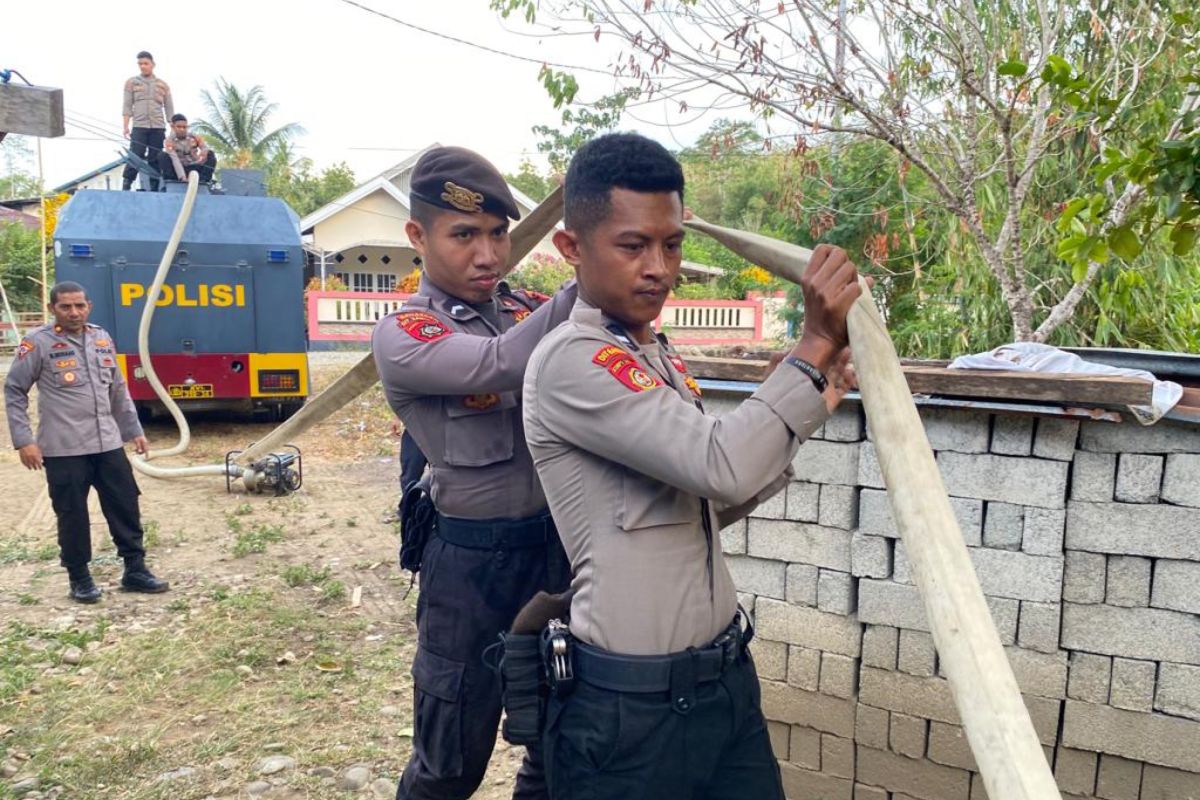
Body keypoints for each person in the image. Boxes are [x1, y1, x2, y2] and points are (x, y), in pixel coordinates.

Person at [521, 132, 863, 800]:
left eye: (671, 244)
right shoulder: (572, 360)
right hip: (630, 710)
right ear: (571, 249)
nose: (659, 267)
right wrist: (814, 343)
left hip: (723, 683)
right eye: (632, 245)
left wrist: (808, 402)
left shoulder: (655, 354)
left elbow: (707, 503)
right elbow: (722, 466)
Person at [371, 146, 577, 800]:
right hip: (469, 571)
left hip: (555, 557)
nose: (488, 254)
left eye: (498, 234)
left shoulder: (523, 308)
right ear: (417, 236)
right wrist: (587, 280)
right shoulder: (406, 331)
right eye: (464, 235)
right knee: (449, 763)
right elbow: (495, 365)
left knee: (557, 744)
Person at [5, 282, 170, 604]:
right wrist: (24, 440)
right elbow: (14, 390)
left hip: (107, 443)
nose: (74, 312)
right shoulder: (37, 343)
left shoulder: (101, 337)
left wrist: (133, 430)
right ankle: (79, 577)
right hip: (64, 447)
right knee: (72, 513)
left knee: (125, 505)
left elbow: (118, 389)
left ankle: (135, 569)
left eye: (79, 305)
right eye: (66, 306)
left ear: (89, 306)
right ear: (53, 308)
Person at [121, 50, 173, 191]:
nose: (143, 66)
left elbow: (169, 108)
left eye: (146, 63)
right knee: (135, 155)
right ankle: (127, 183)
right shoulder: (131, 83)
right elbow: (127, 106)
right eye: (140, 64)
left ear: (153, 64)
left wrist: (172, 129)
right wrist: (125, 126)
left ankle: (154, 186)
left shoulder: (163, 85)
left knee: (155, 157)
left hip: (157, 126)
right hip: (139, 125)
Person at [159, 114, 217, 184]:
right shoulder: (169, 141)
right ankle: (172, 181)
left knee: (210, 154)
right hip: (179, 169)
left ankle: (203, 181)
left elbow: (204, 147)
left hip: (195, 166)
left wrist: (204, 151)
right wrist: (182, 177)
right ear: (173, 127)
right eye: (179, 127)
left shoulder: (195, 137)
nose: (182, 129)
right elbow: (175, 160)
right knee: (162, 155)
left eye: (184, 127)